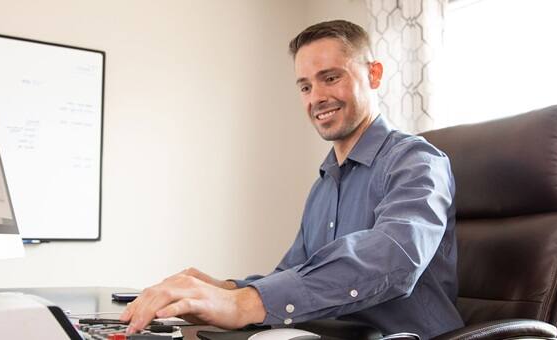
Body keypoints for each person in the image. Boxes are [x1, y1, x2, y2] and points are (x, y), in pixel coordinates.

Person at [119, 20, 464, 339]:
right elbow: (295, 274)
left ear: (374, 75)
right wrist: (222, 291)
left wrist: (243, 304)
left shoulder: (416, 161)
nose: (316, 98)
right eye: (304, 86)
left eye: (331, 78)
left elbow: (395, 256)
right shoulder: (324, 184)